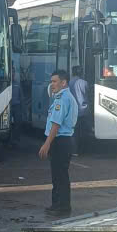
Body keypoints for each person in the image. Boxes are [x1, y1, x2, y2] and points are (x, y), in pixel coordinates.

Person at [38, 69, 78, 215]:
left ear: (63, 82)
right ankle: (58, 205)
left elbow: (56, 124)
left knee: (59, 175)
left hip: (60, 141)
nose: (52, 84)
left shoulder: (62, 99)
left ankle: (62, 206)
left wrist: (47, 143)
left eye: (54, 81)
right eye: (51, 81)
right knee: (59, 174)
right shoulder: (66, 97)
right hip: (64, 141)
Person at [69, 65, 90, 154]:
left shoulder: (70, 83)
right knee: (83, 131)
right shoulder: (84, 83)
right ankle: (83, 149)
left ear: (73, 72)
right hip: (84, 110)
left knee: (74, 132)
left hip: (73, 111)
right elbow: (87, 93)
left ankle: (74, 150)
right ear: (81, 73)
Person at [9, 66, 22, 147]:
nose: (13, 74)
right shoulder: (6, 83)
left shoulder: (17, 84)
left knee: (18, 122)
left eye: (14, 72)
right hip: (8, 107)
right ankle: (8, 140)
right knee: (8, 124)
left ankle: (16, 139)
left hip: (16, 106)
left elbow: (21, 96)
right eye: (11, 72)